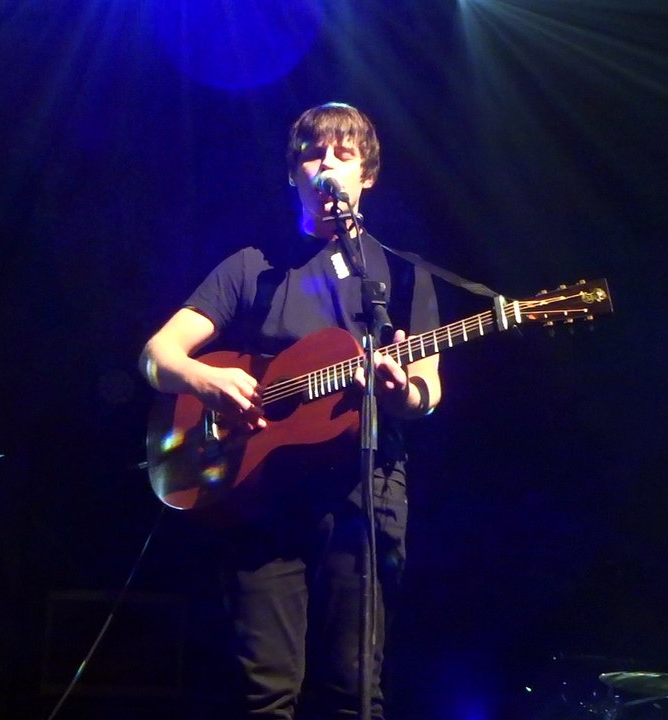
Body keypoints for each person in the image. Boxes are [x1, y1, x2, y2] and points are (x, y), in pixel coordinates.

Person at [139, 102, 441, 719]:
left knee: (355, 690)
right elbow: (156, 355)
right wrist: (207, 378)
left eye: (342, 153)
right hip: (261, 492)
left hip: (364, 491)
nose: (325, 163)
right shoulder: (252, 266)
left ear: (368, 174)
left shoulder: (404, 277)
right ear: (293, 174)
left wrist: (398, 391)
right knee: (265, 691)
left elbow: (428, 390)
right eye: (311, 153)